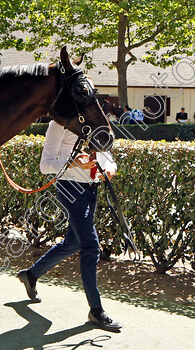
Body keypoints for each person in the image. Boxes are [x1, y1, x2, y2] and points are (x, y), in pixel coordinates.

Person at [17, 119, 122, 332]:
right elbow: (45, 165)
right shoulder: (58, 125)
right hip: (69, 189)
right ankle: (96, 311)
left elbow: (107, 157)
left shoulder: (94, 122)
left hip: (91, 189)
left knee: (74, 242)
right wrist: (74, 164)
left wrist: (109, 169)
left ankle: (31, 275)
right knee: (91, 247)